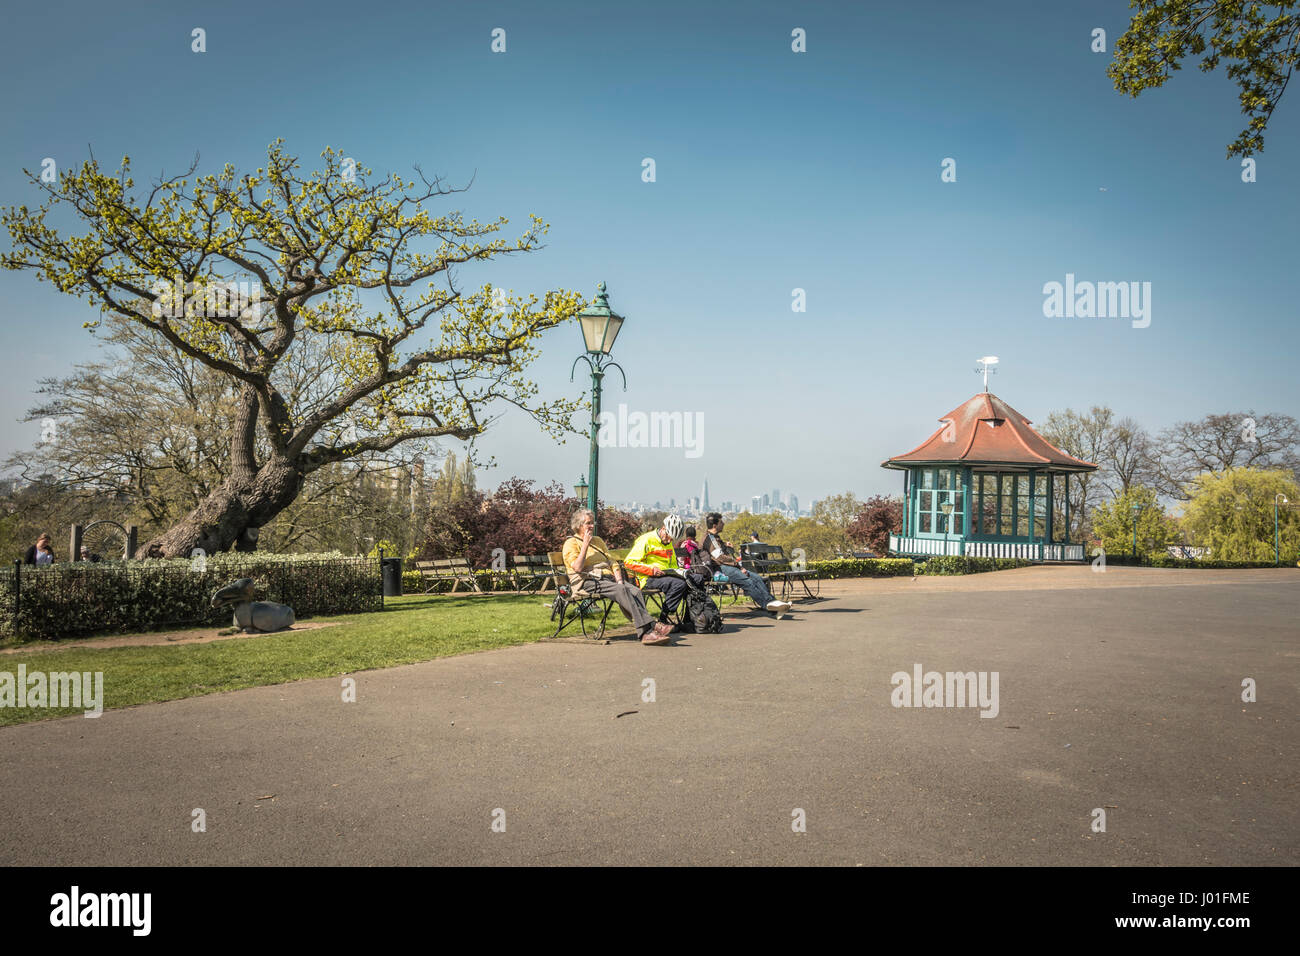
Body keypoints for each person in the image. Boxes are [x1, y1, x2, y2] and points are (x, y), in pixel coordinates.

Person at [562, 509, 673, 646]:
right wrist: (585, 544)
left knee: (634, 591)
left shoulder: (598, 541)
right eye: (588, 523)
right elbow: (577, 568)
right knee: (622, 591)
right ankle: (647, 631)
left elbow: (612, 562)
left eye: (593, 523)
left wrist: (620, 580)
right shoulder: (571, 543)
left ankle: (650, 629)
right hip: (587, 581)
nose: (592, 526)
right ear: (578, 525)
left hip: (608, 580)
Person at [702, 513, 791, 618]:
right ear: (715, 526)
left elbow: (716, 549)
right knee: (747, 581)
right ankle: (768, 605)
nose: (723, 523)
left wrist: (725, 544)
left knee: (757, 578)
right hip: (719, 569)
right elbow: (720, 557)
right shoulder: (711, 539)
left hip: (726, 566)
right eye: (721, 522)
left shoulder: (714, 538)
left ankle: (774, 604)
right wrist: (738, 566)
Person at [623, 514, 691, 627]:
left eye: (672, 539)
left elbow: (673, 564)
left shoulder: (668, 543)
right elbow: (628, 562)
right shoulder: (646, 540)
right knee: (679, 584)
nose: (669, 540)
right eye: (668, 536)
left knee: (691, 581)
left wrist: (681, 572)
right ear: (663, 528)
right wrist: (651, 570)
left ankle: (690, 619)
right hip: (646, 578)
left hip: (665, 576)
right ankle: (663, 619)